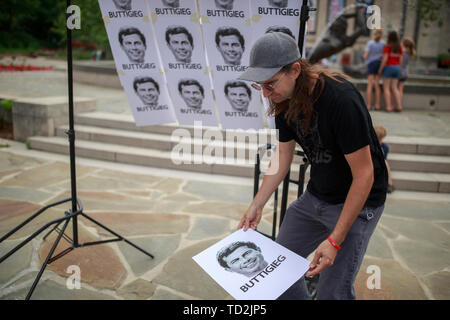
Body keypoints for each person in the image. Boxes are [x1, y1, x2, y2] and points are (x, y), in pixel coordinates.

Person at [237, 32, 388, 300]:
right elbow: (283, 157)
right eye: (260, 85)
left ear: (295, 70)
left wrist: (334, 240)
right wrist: (257, 204)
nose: (266, 93)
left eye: (270, 84)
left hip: (359, 201)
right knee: (278, 272)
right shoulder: (281, 99)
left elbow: (365, 175)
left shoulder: (341, 99)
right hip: (316, 195)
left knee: (333, 291)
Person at [378, 31, 403, 112]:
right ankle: (399, 106)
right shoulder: (400, 47)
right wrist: (399, 68)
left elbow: (384, 59)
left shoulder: (388, 47)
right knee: (395, 88)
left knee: (386, 88)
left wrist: (380, 70)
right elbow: (401, 60)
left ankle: (389, 107)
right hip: (397, 68)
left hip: (389, 68)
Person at [363, 29, 385, 111]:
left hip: (371, 64)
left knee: (370, 85)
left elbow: (365, 55)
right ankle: (377, 105)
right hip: (379, 64)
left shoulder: (370, 43)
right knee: (377, 84)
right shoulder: (383, 43)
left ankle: (368, 105)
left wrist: (364, 58)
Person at [374, 125, 394, 193]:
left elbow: (384, 158)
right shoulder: (371, 145)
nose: (380, 141)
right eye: (379, 139)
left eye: (381, 139)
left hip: (381, 163)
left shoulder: (385, 147)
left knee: (386, 163)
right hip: (371, 162)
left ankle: (389, 184)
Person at [398, 37, 415, 103]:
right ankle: (399, 103)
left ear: (404, 44)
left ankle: (397, 103)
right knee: (401, 89)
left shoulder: (402, 52)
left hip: (400, 71)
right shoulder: (410, 53)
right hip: (405, 72)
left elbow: (400, 63)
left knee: (397, 89)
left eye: (401, 42)